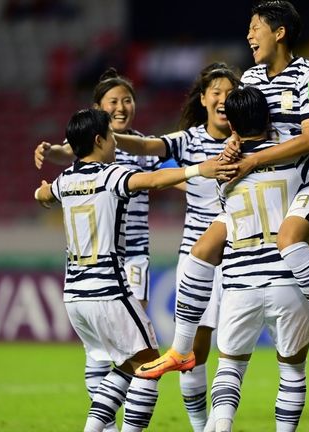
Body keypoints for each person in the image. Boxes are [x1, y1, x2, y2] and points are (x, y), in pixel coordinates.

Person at [136, 0, 309, 380]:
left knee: (291, 240)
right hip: (264, 182)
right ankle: (181, 351)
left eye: (256, 27)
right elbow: (243, 127)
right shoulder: (250, 78)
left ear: (279, 32)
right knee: (201, 252)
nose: (249, 35)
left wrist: (250, 162)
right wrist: (234, 145)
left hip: (308, 177)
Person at [33, 108, 236, 432]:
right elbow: (153, 180)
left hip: (73, 294)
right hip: (108, 289)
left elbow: (45, 194)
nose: (115, 142)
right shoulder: (110, 174)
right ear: (99, 140)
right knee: (150, 363)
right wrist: (200, 169)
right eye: (111, 137)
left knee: (127, 364)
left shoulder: (65, 179)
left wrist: (39, 193)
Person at [209, 86, 309, 432]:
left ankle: (220, 427)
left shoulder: (224, 167)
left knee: (229, 368)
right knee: (291, 370)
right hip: (290, 279)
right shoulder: (297, 158)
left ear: (232, 125)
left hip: (238, 281)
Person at [110, 62, 241, 432]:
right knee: (194, 355)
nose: (222, 99)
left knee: (231, 348)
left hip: (241, 258)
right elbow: (150, 145)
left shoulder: (251, 139)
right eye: (215, 92)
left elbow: (295, 138)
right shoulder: (188, 140)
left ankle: (221, 422)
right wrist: (110, 133)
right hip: (198, 260)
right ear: (203, 99)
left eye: (230, 94)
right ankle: (203, 427)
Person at [33, 68, 162, 432]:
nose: (121, 107)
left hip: (133, 254)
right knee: (128, 353)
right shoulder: (95, 149)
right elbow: (67, 154)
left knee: (129, 347)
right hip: (106, 262)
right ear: (99, 109)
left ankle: (102, 420)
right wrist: (52, 151)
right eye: (113, 102)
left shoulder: (142, 144)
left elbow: (167, 171)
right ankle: (106, 423)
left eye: (127, 100)